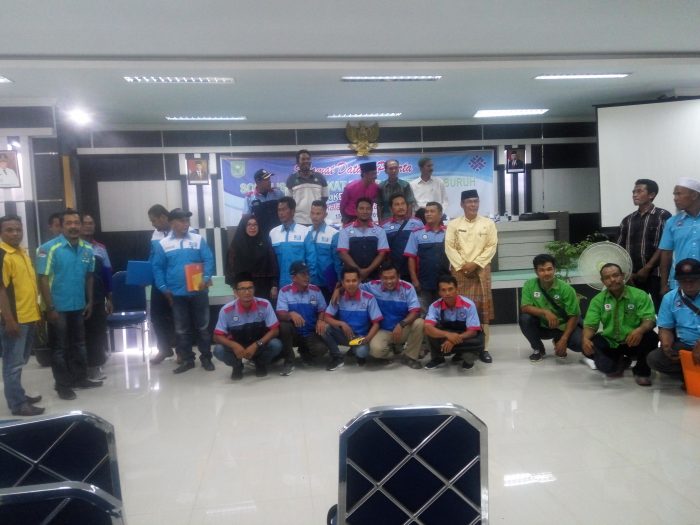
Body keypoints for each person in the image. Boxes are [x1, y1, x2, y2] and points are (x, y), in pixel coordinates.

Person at [37, 209, 102, 401]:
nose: (73, 226)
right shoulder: (48, 249)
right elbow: (42, 279)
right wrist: (50, 307)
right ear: (62, 226)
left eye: (76, 223)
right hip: (57, 307)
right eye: (69, 223)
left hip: (78, 305)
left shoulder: (87, 249)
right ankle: (63, 385)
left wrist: (90, 301)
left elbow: (89, 276)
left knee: (80, 344)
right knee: (59, 348)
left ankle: (80, 379)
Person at [152, 208, 216, 374]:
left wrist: (206, 277)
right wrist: (163, 288)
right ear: (172, 223)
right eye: (182, 221)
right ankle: (187, 360)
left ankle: (206, 358)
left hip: (199, 291)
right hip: (177, 294)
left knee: (203, 327)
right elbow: (157, 267)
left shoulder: (198, 239)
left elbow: (208, 259)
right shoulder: (163, 244)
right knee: (181, 329)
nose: (186, 224)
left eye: (187, 221)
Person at [581, 263, 658, 386]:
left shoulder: (639, 295)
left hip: (634, 341)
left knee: (651, 337)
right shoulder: (598, 300)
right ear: (603, 281)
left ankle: (641, 372)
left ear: (623, 276)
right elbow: (591, 325)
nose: (612, 280)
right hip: (611, 342)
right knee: (591, 347)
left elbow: (650, 320)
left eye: (615, 275)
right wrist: (585, 339)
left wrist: (640, 330)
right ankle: (620, 362)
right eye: (607, 277)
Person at [445, 189, 498, 363]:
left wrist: (475, 263)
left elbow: (491, 246)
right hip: (460, 271)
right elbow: (450, 248)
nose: (473, 204)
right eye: (469, 201)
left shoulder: (488, 223)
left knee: (483, 310)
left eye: (475, 201)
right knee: (460, 310)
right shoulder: (453, 224)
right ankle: (461, 348)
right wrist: (463, 265)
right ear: (462, 204)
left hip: (481, 270)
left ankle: (484, 348)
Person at [0, 215, 44, 416]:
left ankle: (17, 394)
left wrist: (36, 312)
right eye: (9, 230)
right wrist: (9, 320)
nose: (15, 233)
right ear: (1, 232)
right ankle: (18, 404)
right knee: (13, 364)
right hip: (14, 320)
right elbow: (1, 290)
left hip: (28, 316)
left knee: (20, 361)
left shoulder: (21, 252)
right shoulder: (3, 254)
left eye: (18, 229)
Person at [213, 272, 282, 380]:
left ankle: (260, 363)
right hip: (237, 348)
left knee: (276, 344)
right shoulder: (226, 310)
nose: (247, 292)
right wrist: (234, 346)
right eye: (242, 289)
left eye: (250, 288)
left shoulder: (264, 305)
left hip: (258, 345)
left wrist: (257, 345)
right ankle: (237, 366)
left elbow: (275, 330)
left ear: (254, 289)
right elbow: (217, 336)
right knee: (218, 350)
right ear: (235, 292)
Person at [277, 261, 341, 373]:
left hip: (311, 331)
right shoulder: (284, 291)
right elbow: (280, 314)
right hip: (294, 333)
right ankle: (289, 360)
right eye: (303, 274)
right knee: (283, 326)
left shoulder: (315, 290)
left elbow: (322, 309)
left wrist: (320, 319)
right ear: (293, 277)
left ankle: (305, 351)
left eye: (308, 273)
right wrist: (290, 314)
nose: (307, 277)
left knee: (321, 349)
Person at [616, 178, 671, 310]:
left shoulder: (663, 216)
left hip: (656, 274)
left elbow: (666, 246)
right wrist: (627, 273)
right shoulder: (627, 220)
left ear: (651, 195)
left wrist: (647, 268)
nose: (634, 195)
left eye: (639, 191)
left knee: (660, 309)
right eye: (633, 192)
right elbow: (620, 249)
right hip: (633, 277)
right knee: (636, 311)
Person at [519, 254, 583, 362]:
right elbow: (525, 308)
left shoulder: (566, 289)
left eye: (549, 269)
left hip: (563, 326)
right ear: (536, 272)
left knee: (579, 344)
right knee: (525, 318)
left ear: (554, 269)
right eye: (542, 270)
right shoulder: (529, 285)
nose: (546, 273)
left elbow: (574, 316)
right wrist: (545, 312)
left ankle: (559, 340)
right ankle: (538, 349)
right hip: (542, 327)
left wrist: (564, 340)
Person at [360, 262, 424, 369]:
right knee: (375, 350)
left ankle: (410, 356)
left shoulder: (408, 288)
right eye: (385, 278)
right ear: (380, 277)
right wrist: (338, 290)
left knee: (420, 323)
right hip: (384, 330)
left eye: (392, 278)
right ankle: (393, 354)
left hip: (403, 328)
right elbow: (353, 286)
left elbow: (415, 311)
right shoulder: (373, 286)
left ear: (398, 276)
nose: (389, 281)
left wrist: (401, 324)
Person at [647, 258, 700, 380]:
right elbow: (665, 327)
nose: (688, 284)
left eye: (693, 280)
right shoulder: (669, 298)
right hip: (685, 345)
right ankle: (689, 377)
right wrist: (666, 344)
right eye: (684, 281)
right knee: (655, 359)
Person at [423, 274, 485, 371]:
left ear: (457, 289)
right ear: (439, 292)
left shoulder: (469, 305)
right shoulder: (434, 306)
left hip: (465, 336)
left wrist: (453, 339)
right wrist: (448, 335)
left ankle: (463, 356)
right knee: (429, 330)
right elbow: (428, 328)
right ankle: (437, 358)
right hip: (447, 334)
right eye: (443, 290)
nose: (447, 293)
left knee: (469, 358)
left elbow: (473, 332)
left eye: (450, 289)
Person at [324, 266, 383, 366]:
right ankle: (337, 357)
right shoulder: (338, 297)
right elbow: (327, 317)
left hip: (360, 337)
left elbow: (376, 323)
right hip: (344, 334)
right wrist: (341, 323)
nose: (351, 284)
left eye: (354, 280)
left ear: (359, 281)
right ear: (343, 283)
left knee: (362, 352)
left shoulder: (369, 298)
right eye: (347, 281)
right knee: (325, 328)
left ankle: (356, 351)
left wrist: (367, 339)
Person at [80, 213, 112, 381]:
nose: (88, 226)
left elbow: (107, 273)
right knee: (79, 335)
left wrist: (110, 298)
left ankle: (95, 368)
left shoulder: (100, 248)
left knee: (97, 333)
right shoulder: (74, 247)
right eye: (85, 223)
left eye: (91, 223)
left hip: (98, 297)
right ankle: (79, 370)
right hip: (77, 297)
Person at [405, 201, 449, 313]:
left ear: (440, 214)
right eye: (426, 212)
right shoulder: (416, 234)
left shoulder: (448, 233)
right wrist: (415, 280)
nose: (428, 214)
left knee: (444, 313)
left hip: (445, 283)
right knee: (424, 314)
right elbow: (411, 258)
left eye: (432, 211)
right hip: (424, 283)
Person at [147, 204, 178, 365]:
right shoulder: (155, 234)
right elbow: (152, 257)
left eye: (154, 220)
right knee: (156, 316)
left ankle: (181, 351)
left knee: (178, 316)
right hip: (158, 282)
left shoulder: (180, 230)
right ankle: (164, 348)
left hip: (175, 281)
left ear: (164, 217)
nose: (153, 224)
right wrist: (144, 274)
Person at [659, 177, 700, 295]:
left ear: (694, 195)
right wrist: (664, 285)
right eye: (674, 195)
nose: (675, 198)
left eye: (678, 194)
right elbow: (666, 254)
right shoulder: (672, 222)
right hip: (681, 282)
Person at [225, 215, 279, 301]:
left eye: (255, 224)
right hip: (243, 288)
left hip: (264, 287)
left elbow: (273, 264)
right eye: (249, 224)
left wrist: (274, 285)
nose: (252, 227)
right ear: (244, 226)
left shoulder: (266, 243)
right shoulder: (236, 245)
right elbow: (230, 268)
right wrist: (234, 288)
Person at [337, 198, 389, 282]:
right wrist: (358, 271)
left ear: (371, 211)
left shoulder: (380, 231)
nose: (365, 211)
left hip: (375, 276)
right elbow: (343, 253)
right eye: (361, 208)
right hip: (352, 278)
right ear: (356, 211)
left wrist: (367, 271)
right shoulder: (345, 230)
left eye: (368, 209)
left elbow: (382, 254)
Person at [269, 197, 316, 289]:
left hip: (301, 285)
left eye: (284, 209)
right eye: (279, 210)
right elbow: (271, 263)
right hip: (281, 286)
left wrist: (308, 282)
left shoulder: (304, 231)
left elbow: (311, 260)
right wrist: (273, 285)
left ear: (293, 211)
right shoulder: (273, 233)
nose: (281, 213)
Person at [381, 194, 423, 281]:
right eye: (397, 204)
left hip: (416, 270)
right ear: (391, 208)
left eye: (403, 204)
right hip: (395, 271)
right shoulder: (384, 226)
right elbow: (383, 252)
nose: (401, 207)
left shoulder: (418, 223)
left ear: (407, 206)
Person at [306, 200, 341, 301]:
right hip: (309, 281)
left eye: (318, 213)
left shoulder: (333, 234)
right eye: (312, 213)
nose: (314, 216)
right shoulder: (305, 232)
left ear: (325, 214)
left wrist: (339, 281)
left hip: (328, 282)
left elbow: (337, 261)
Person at [285, 149, 329, 225]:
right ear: (297, 162)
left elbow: (325, 197)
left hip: (317, 221)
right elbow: (289, 202)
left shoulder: (320, 177)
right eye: (303, 159)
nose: (306, 161)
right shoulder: (291, 179)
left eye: (308, 159)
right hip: (298, 221)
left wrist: (317, 213)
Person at [244, 168, 284, 235]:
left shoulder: (279, 194)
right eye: (266, 179)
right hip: (260, 235)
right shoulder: (250, 198)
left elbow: (285, 213)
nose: (269, 181)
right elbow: (246, 219)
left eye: (269, 179)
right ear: (258, 181)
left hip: (278, 233)